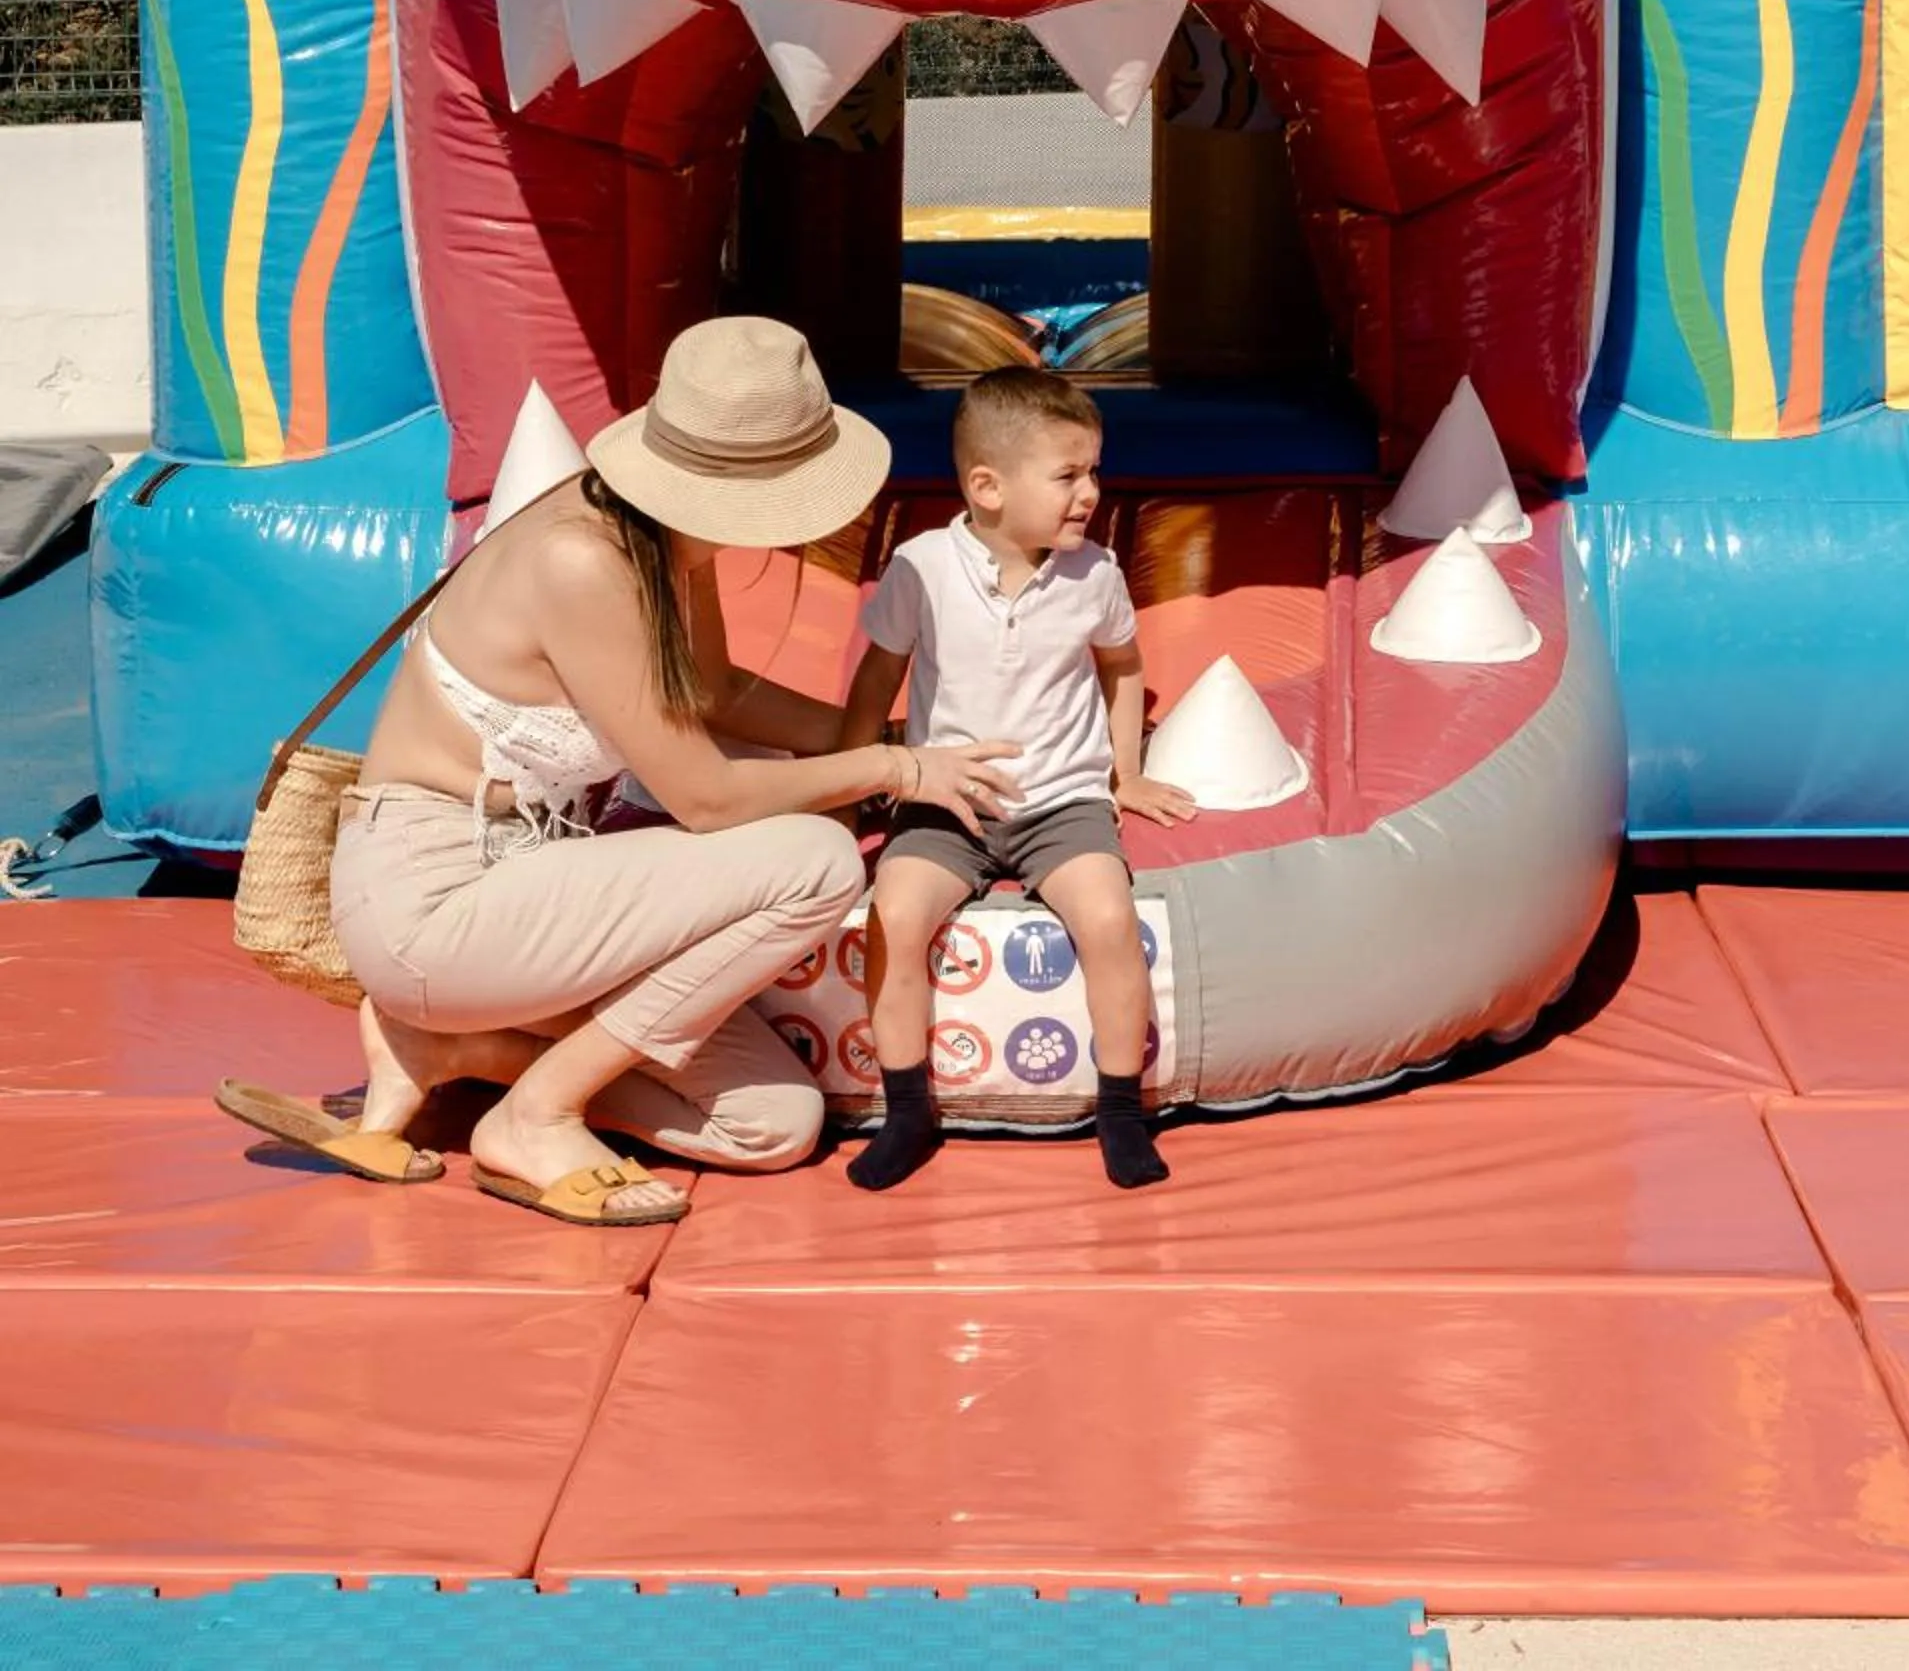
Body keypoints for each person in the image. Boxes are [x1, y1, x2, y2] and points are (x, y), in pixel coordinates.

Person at [216, 318, 1018, 1227]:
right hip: (438, 899)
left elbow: (711, 694)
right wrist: (892, 765)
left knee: (772, 1124)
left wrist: (895, 734)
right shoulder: (581, 558)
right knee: (818, 859)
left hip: (535, 895)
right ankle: (536, 1114)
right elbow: (707, 797)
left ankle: (455, 1049)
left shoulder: (673, 538)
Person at [838, 366, 1195, 1193]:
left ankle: (1118, 1110)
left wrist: (1124, 775)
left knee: (1108, 918)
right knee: (895, 914)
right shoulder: (922, 567)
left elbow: (1124, 669)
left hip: (1060, 804)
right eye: (1068, 475)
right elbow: (874, 679)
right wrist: (850, 778)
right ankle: (906, 1109)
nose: (1090, 493)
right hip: (947, 802)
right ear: (987, 486)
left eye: (1094, 471)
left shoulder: (1094, 575)